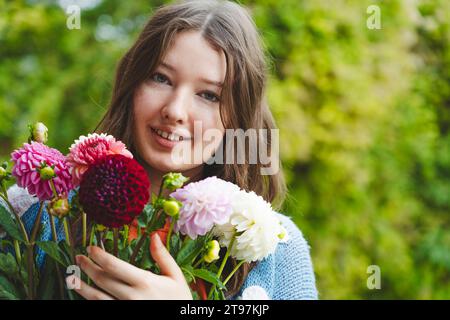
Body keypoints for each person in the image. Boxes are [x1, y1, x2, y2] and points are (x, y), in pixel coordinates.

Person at [11, 0, 318, 300]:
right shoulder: (36, 215)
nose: (175, 110)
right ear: (131, 85)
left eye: (209, 95)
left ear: (238, 117)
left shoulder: (279, 253)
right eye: (161, 78)